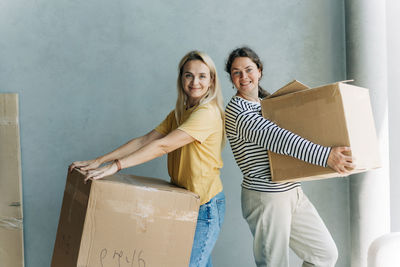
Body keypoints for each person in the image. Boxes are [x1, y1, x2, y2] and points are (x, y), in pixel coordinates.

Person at [69, 50, 225, 267]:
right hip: (186, 201)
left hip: (205, 207)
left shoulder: (206, 113)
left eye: (202, 76)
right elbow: (145, 140)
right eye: (188, 75)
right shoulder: (180, 112)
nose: (194, 81)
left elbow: (163, 145)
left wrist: (117, 166)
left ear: (212, 81)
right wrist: (100, 160)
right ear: (181, 78)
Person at [224, 46, 355, 267]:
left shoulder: (267, 105)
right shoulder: (237, 111)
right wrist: (327, 157)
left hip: (291, 191)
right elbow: (279, 139)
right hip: (266, 197)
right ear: (232, 78)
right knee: (273, 263)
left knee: (324, 254)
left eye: (248, 69)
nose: (243, 77)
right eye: (237, 72)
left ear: (259, 70)